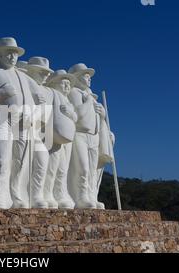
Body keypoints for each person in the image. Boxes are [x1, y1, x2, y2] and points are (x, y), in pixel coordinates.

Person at [0, 37, 48, 208]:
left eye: (14, 54)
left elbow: (42, 99)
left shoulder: (25, 77)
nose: (12, 57)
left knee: (20, 161)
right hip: (1, 120)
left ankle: (16, 194)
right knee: (0, 158)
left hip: (24, 122)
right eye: (8, 53)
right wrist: (3, 93)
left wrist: (35, 115)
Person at [67, 63, 112, 209]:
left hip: (94, 137)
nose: (89, 79)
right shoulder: (73, 93)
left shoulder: (91, 97)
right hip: (79, 134)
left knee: (93, 170)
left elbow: (99, 120)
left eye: (89, 76)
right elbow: (77, 115)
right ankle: (81, 197)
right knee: (83, 167)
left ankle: (92, 196)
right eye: (85, 76)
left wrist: (102, 114)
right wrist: (87, 102)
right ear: (78, 78)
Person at [44, 69, 78, 209]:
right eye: (64, 83)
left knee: (63, 168)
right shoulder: (51, 93)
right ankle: (47, 193)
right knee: (51, 167)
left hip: (67, 140)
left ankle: (60, 193)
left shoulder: (67, 100)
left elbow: (75, 117)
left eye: (69, 84)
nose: (67, 87)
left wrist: (70, 113)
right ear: (55, 83)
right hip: (53, 137)